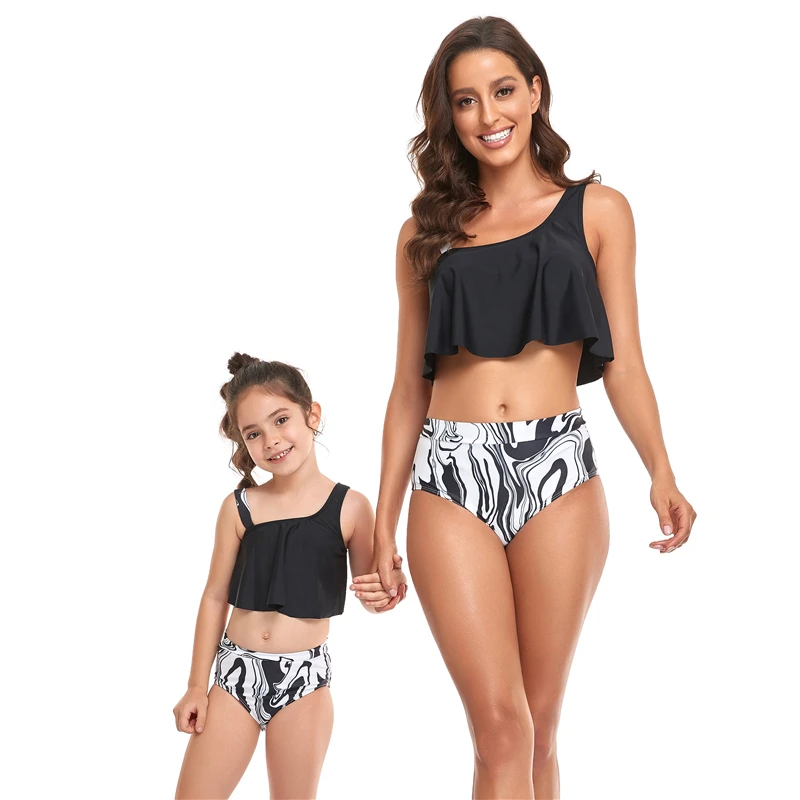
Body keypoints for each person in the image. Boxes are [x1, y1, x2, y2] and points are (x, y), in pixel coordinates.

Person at [360, 16, 698, 800]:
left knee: (540, 728)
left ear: (536, 92)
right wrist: (383, 523)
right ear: (450, 116)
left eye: (504, 90)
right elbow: (408, 387)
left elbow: (626, 363)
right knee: (499, 731)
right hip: (451, 474)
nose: (489, 115)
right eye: (466, 101)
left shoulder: (600, 210)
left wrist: (661, 470)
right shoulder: (424, 234)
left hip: (558, 468)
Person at [173, 353, 405, 799]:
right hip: (235, 675)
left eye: (281, 420)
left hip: (304, 680)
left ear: (311, 414)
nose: (271, 441)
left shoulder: (351, 507)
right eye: (254, 433)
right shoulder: (239, 507)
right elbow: (214, 597)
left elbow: (371, 592)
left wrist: (388, 589)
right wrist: (196, 686)